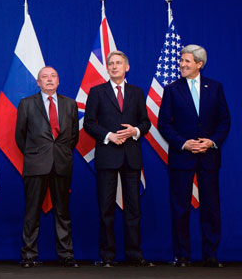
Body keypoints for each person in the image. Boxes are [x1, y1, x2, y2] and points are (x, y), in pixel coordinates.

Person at [158, 45, 230, 268]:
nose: (182, 64)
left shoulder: (215, 88)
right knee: (180, 207)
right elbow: (164, 124)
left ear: (199, 64)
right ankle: (182, 255)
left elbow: (224, 121)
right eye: (181, 60)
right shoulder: (171, 89)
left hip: (208, 157)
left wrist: (211, 141)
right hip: (182, 157)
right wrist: (184, 143)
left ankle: (211, 255)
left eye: (187, 61)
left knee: (211, 207)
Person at [83, 51, 153, 267]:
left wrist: (135, 131)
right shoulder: (97, 92)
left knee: (134, 209)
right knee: (106, 208)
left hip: (131, 157)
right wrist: (108, 136)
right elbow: (88, 123)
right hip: (107, 156)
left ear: (127, 67)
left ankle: (135, 254)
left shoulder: (137, 92)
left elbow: (146, 122)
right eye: (111, 63)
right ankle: (107, 255)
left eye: (118, 63)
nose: (114, 67)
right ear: (107, 68)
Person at [15, 66, 79, 268]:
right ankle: (28, 255)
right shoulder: (26, 104)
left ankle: (66, 255)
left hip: (62, 163)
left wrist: (59, 153)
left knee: (63, 212)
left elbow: (73, 136)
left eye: (53, 76)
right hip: (36, 164)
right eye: (45, 77)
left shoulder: (70, 104)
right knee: (32, 212)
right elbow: (20, 136)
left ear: (58, 81)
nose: (49, 80)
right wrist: (36, 153)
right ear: (38, 82)